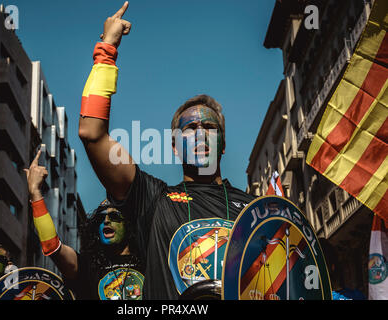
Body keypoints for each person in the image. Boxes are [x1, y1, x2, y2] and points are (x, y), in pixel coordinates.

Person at [77, 2, 255, 299]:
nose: (200, 132)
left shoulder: (253, 211)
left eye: (209, 128)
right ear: (174, 147)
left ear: (223, 145)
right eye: (189, 129)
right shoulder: (152, 199)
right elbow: (91, 135)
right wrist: (106, 50)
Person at [24, 150, 144, 300]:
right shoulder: (87, 266)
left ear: (129, 225)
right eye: (100, 218)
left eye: (114, 216)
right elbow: (52, 246)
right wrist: (35, 193)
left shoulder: (150, 260)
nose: (106, 221)